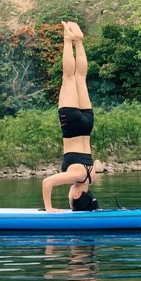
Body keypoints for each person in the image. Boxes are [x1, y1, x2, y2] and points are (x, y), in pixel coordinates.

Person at [42, 21, 99, 213]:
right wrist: (49, 208)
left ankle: (79, 42)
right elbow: (47, 182)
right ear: (76, 195)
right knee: (69, 78)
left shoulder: (92, 176)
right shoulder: (75, 176)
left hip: (87, 124)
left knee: (81, 78)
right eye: (70, 200)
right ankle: (68, 40)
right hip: (72, 125)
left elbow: (99, 164)